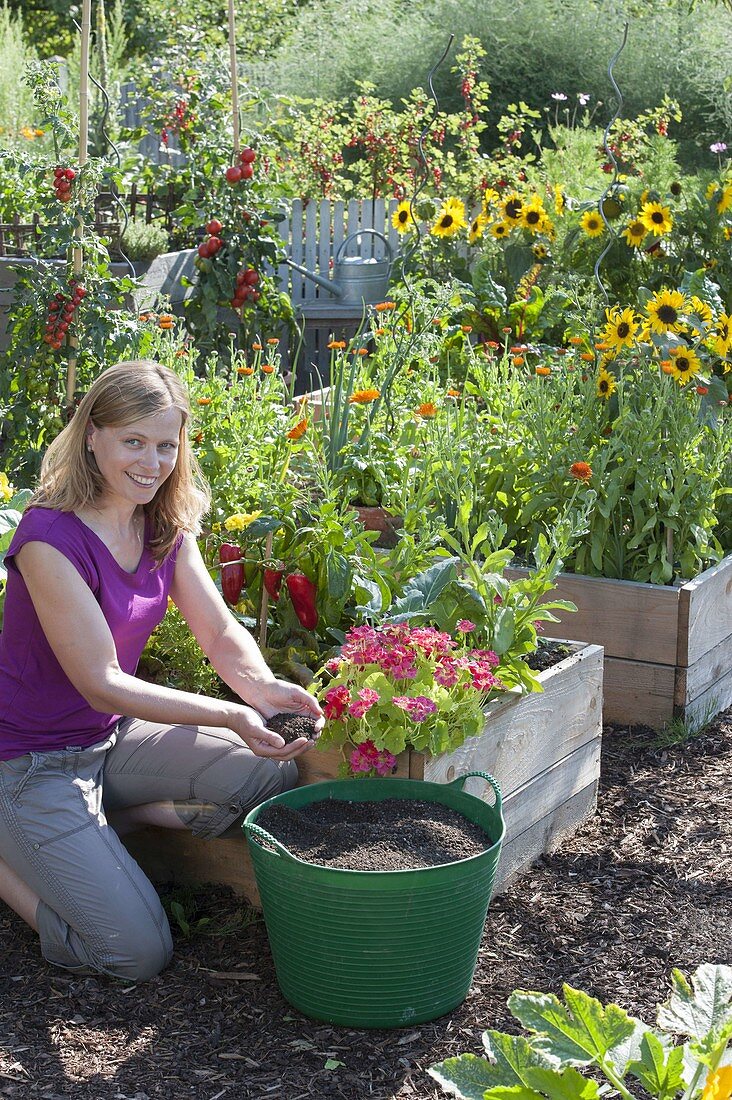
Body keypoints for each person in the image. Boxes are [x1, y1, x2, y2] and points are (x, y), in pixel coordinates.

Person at [0, 359, 323, 981]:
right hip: (29, 763)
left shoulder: (160, 525)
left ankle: (106, 823)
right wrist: (232, 713)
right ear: (92, 434)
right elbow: (102, 681)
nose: (152, 463)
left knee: (265, 775)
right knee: (136, 954)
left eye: (166, 445)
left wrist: (261, 690)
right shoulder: (50, 539)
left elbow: (220, 631)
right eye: (133, 442)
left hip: (109, 741)